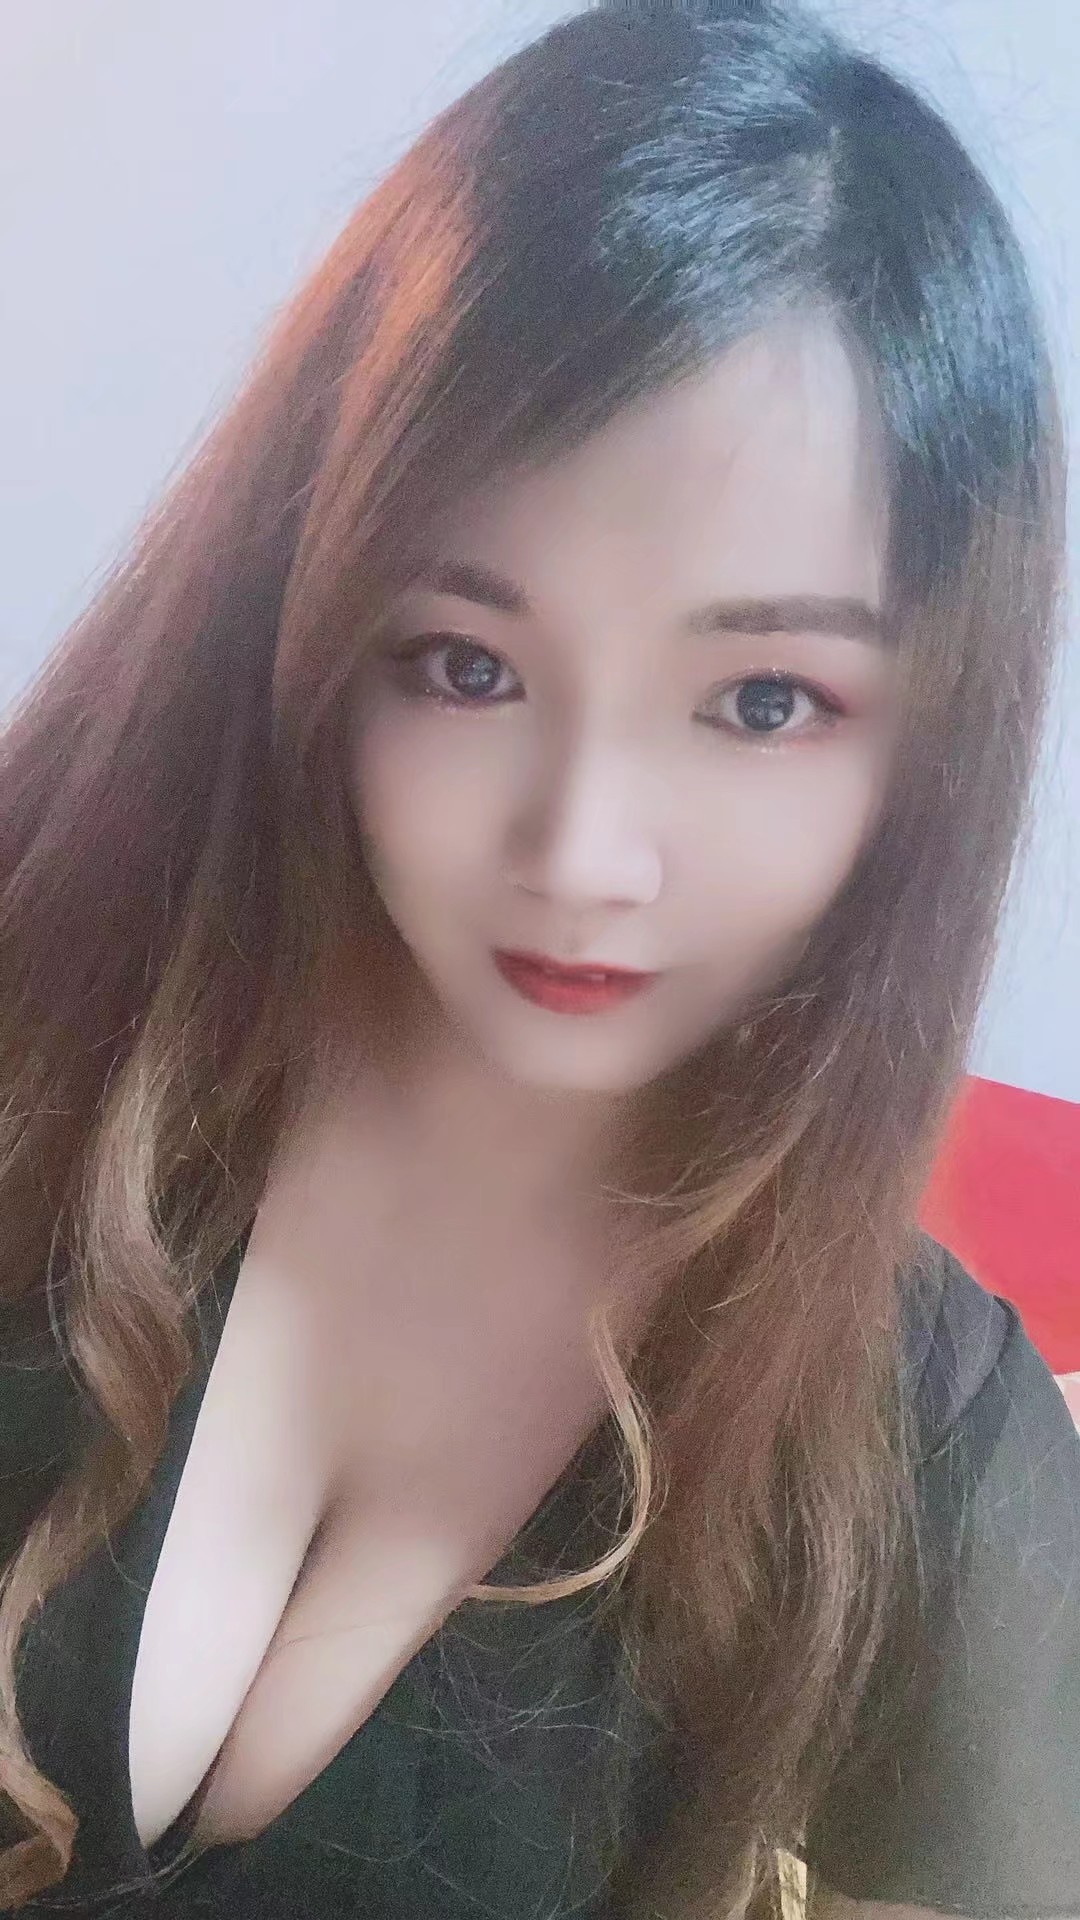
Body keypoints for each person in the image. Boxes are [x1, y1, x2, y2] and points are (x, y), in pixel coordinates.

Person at [0, 2, 1077, 1915]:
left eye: (762, 701)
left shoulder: (925, 1456)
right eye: (468, 665)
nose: (582, 855)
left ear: (930, 742)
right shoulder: (53, 1064)